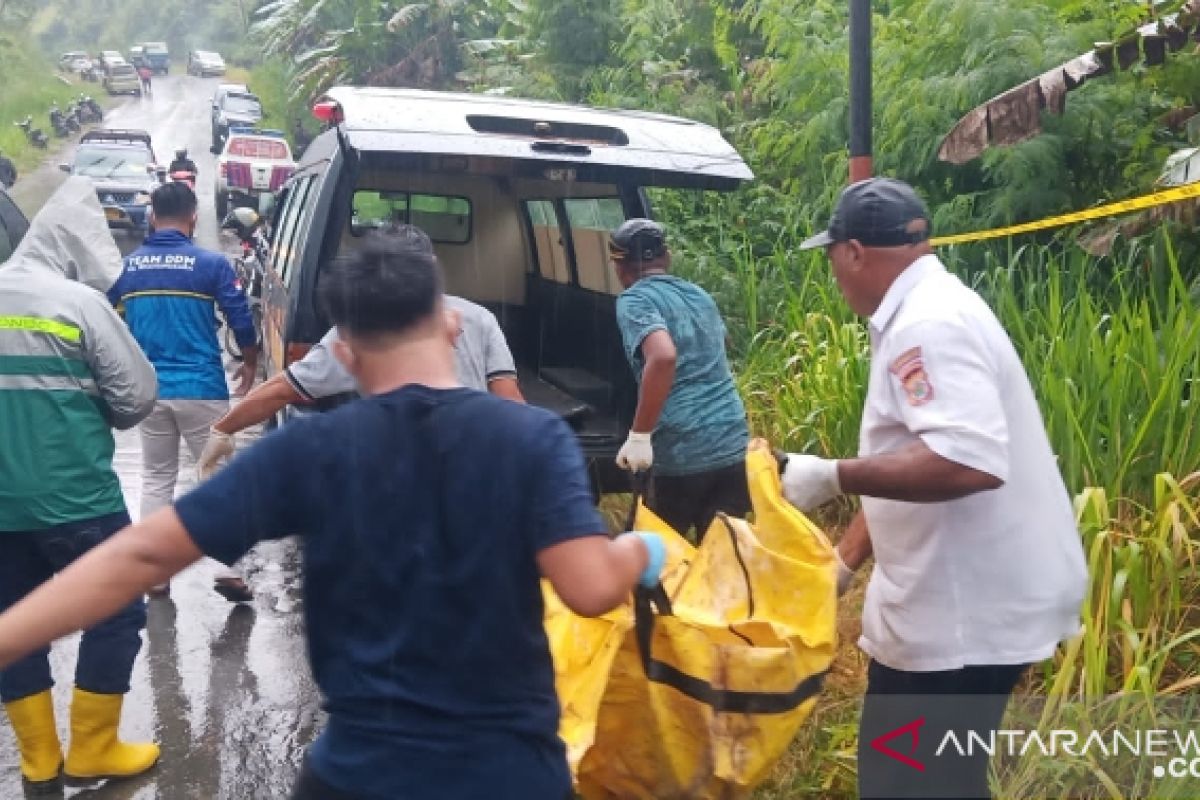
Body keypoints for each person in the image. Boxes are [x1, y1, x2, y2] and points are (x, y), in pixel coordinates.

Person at [0, 229, 667, 799]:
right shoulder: (532, 440)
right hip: (507, 774)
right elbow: (587, 589)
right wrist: (640, 554)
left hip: (358, 775)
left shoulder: (309, 450)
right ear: (450, 321)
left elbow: (142, 555)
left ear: (343, 355)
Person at [779, 178, 1088, 800]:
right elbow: (907, 452)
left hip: (964, 618)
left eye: (832, 255)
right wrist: (847, 559)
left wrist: (832, 475)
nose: (833, 272)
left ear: (856, 252)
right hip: (955, 601)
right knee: (930, 780)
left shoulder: (930, 324)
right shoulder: (923, 310)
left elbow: (968, 459)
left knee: (907, 784)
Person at [0, 177, 160, 788]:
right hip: (79, 501)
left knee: (15, 621)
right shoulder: (77, 304)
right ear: (72, 254)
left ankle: (39, 760)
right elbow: (136, 395)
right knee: (116, 613)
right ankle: (94, 747)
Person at [198, 226, 524, 474]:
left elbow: (283, 390)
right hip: (469, 467)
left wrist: (224, 428)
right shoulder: (478, 317)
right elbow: (508, 398)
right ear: (434, 269)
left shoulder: (359, 327)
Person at [108, 182, 259, 602]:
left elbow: (108, 323)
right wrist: (249, 362)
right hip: (202, 389)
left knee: (156, 478)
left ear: (152, 216)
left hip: (149, 392)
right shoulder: (210, 264)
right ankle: (228, 570)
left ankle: (155, 577)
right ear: (193, 216)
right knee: (216, 477)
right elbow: (239, 317)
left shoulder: (128, 268)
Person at [608, 218, 750, 539]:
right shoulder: (699, 295)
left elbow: (663, 356)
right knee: (724, 557)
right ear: (667, 257)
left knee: (657, 561)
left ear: (620, 267)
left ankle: (651, 592)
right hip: (732, 441)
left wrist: (640, 436)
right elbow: (722, 343)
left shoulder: (634, 300)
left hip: (682, 450)